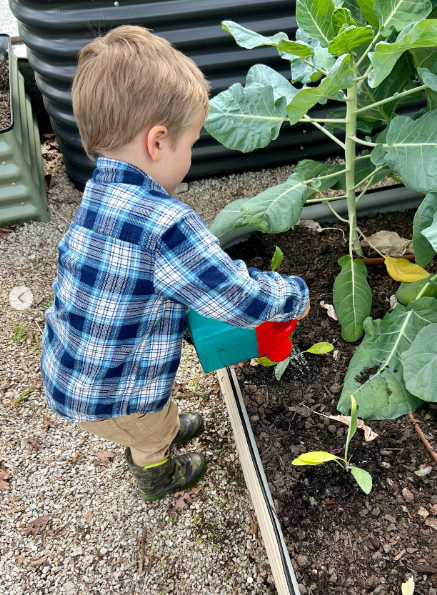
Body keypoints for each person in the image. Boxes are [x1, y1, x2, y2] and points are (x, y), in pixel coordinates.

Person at [40, 26, 310, 502]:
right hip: (115, 394)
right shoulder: (164, 224)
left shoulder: (100, 193)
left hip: (75, 372)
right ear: (157, 142)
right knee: (150, 430)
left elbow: (148, 283)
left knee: (147, 417)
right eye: (189, 144)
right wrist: (292, 297)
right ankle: (157, 469)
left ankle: (152, 427)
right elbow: (236, 296)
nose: (189, 157)